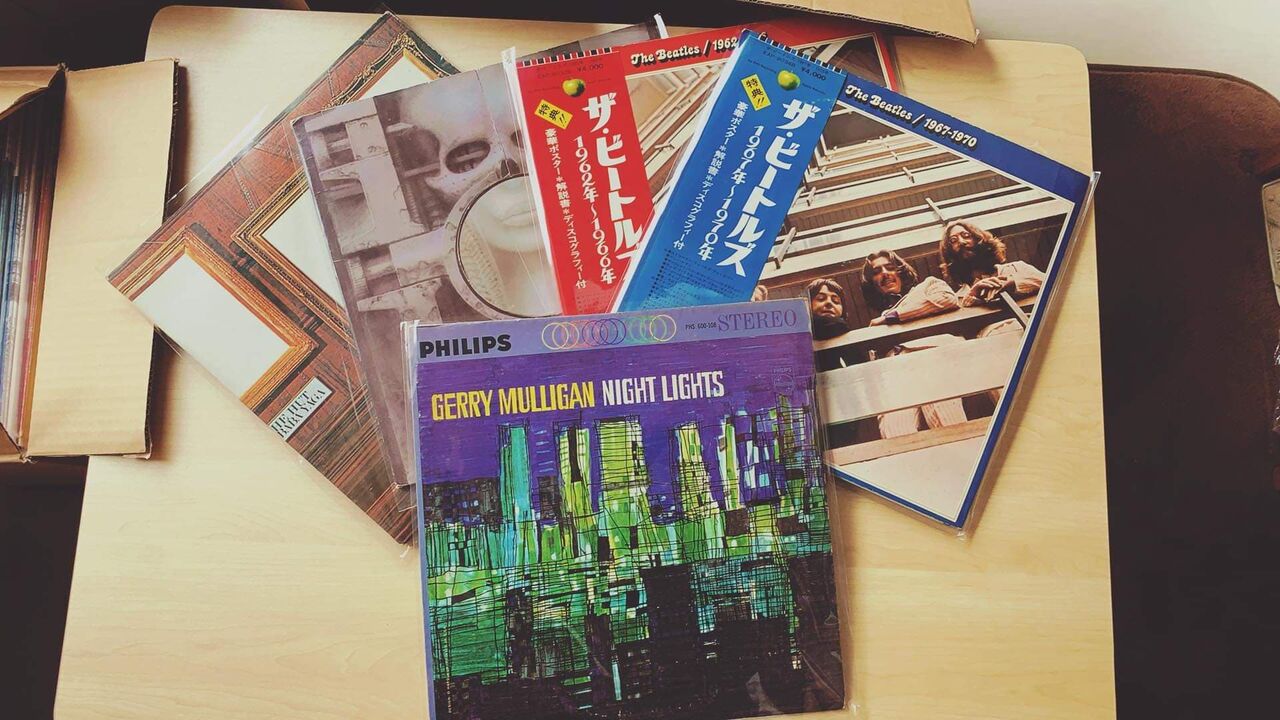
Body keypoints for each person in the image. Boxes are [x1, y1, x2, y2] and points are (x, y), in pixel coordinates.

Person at [938, 220, 1045, 307]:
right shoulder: (958, 297)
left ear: (979, 239)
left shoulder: (1017, 268)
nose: (961, 242)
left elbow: (1048, 282)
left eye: (966, 235)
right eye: (953, 240)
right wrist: (972, 296)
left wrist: (1013, 284)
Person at [859, 249, 959, 326]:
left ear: (901, 272)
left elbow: (948, 299)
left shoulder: (929, 284)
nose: (885, 273)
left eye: (890, 268)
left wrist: (892, 317)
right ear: (873, 284)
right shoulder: (883, 318)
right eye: (876, 272)